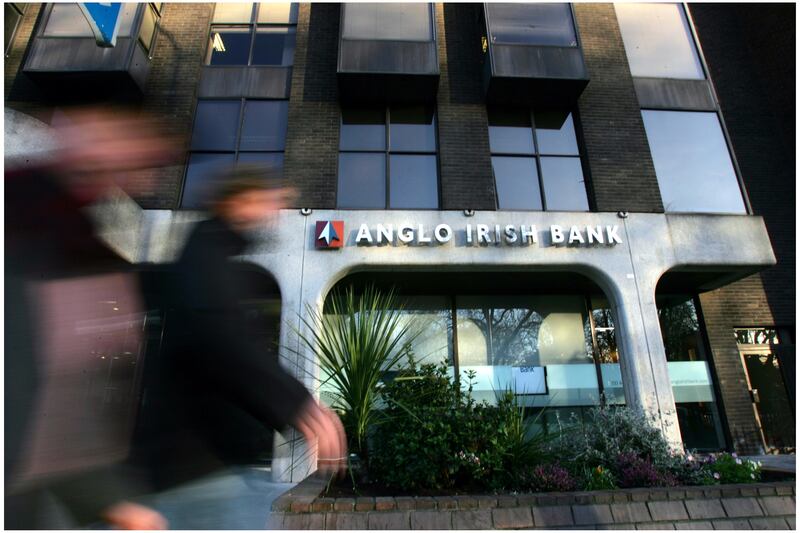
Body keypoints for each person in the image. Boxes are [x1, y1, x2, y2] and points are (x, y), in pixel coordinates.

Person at [131, 166, 347, 499]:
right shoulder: (206, 255)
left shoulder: (216, 256)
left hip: (206, 464)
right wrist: (299, 404)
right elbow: (221, 339)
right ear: (240, 201)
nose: (275, 211)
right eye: (268, 200)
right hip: (194, 468)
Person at [5, 107, 175, 529]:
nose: (144, 173)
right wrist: (102, 495)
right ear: (81, 126)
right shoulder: (30, 214)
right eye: (128, 142)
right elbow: (35, 374)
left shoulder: (70, 228)